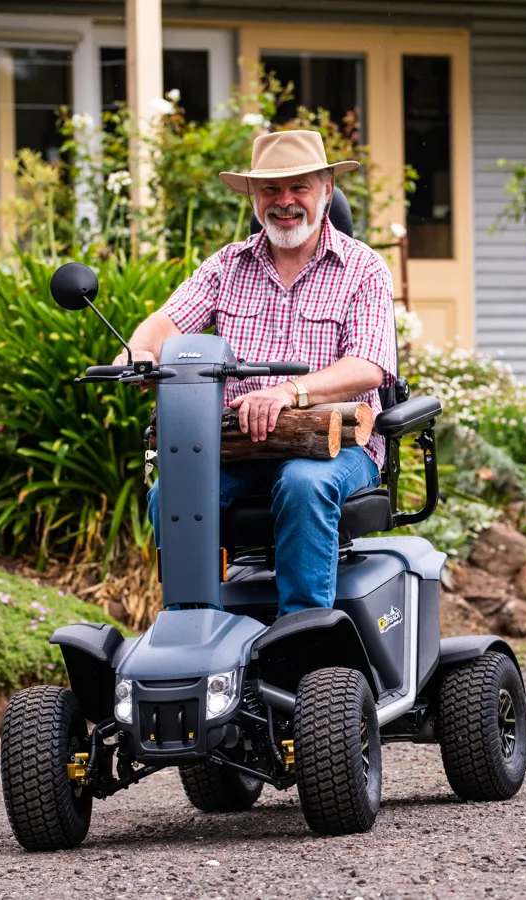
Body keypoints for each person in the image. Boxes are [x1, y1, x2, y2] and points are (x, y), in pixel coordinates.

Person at [118, 130, 397, 617]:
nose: (284, 202)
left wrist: (289, 392)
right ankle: (197, 628)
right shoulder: (227, 265)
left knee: (303, 484)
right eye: (271, 190)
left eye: (299, 188)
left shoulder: (363, 268)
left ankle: (304, 635)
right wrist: (138, 353)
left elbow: (368, 366)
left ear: (327, 191)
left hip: (336, 442)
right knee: (170, 492)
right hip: (238, 445)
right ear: (253, 196)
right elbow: (168, 321)